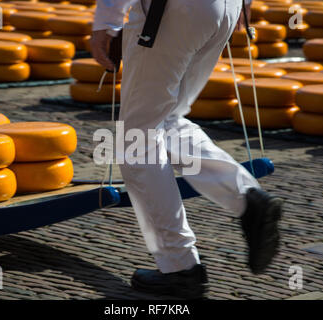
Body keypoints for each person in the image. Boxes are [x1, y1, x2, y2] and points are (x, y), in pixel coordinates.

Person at [90, 0, 282, 298]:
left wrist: (108, 18)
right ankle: (247, 197)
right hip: (222, 10)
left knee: (136, 138)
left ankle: (180, 268)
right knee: (165, 120)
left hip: (171, 11)